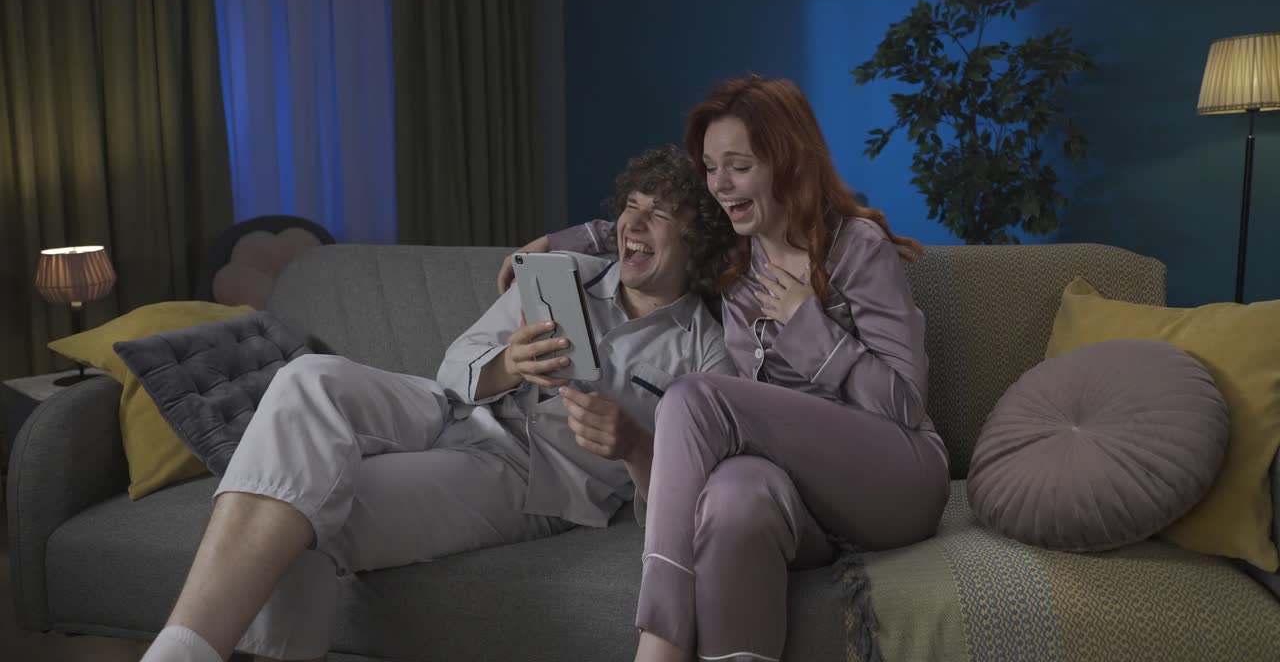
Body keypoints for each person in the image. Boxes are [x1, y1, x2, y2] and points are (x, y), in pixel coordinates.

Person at [140, 145, 737, 662]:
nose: (635, 222)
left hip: (527, 476)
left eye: (660, 215)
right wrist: (507, 363)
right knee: (306, 377)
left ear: (698, 241)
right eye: (632, 205)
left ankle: (185, 648)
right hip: (449, 408)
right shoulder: (563, 276)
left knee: (310, 506)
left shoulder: (706, 355)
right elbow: (457, 364)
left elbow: (685, 503)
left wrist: (633, 445)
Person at [505, 75, 951, 662]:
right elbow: (664, 221)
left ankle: (659, 642)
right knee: (734, 498)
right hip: (805, 507)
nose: (720, 183)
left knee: (691, 398)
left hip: (896, 480)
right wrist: (574, 237)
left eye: (737, 165)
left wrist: (810, 330)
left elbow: (904, 406)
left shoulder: (855, 248)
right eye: (712, 167)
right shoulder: (735, 267)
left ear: (787, 163)